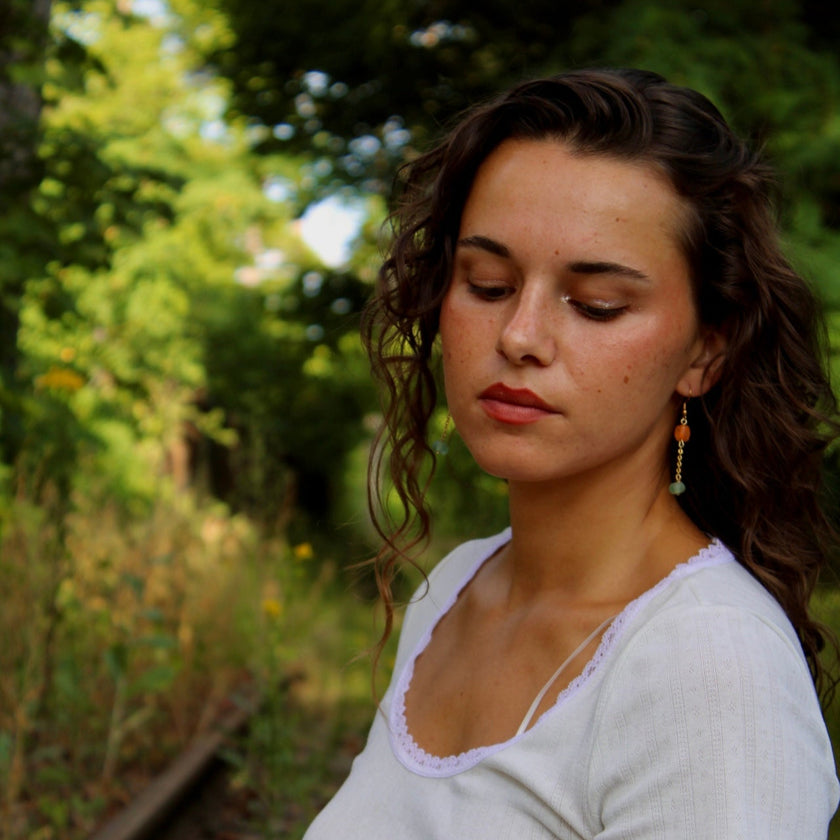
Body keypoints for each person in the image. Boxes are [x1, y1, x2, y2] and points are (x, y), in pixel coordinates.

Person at [304, 68, 840, 839]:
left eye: (597, 305)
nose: (519, 337)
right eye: (486, 284)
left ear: (705, 353)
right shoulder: (455, 587)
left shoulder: (710, 666)